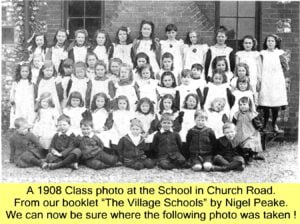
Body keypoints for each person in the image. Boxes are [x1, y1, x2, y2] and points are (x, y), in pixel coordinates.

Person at [258, 34, 288, 133]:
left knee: (275, 103)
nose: (270, 43)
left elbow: (285, 67)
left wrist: (278, 72)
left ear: (276, 43)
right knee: (266, 103)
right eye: (268, 41)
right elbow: (259, 66)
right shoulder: (262, 54)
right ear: (266, 43)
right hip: (265, 79)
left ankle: (274, 124)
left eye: (272, 41)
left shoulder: (280, 53)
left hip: (276, 80)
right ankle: (265, 124)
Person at [9, 62, 36, 129]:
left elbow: (33, 94)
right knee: (18, 117)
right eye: (23, 71)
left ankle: (27, 130)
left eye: (26, 71)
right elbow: (12, 93)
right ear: (19, 72)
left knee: (28, 117)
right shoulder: (16, 82)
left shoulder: (31, 83)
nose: (24, 73)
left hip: (28, 104)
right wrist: (12, 101)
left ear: (29, 72)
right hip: (18, 104)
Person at [236, 35, 261, 101]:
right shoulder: (239, 54)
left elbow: (259, 68)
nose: (248, 45)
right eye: (246, 43)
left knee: (253, 96)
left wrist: (259, 80)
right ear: (243, 44)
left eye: (250, 43)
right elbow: (237, 67)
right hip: (242, 78)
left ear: (253, 44)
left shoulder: (256, 54)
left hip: (253, 78)